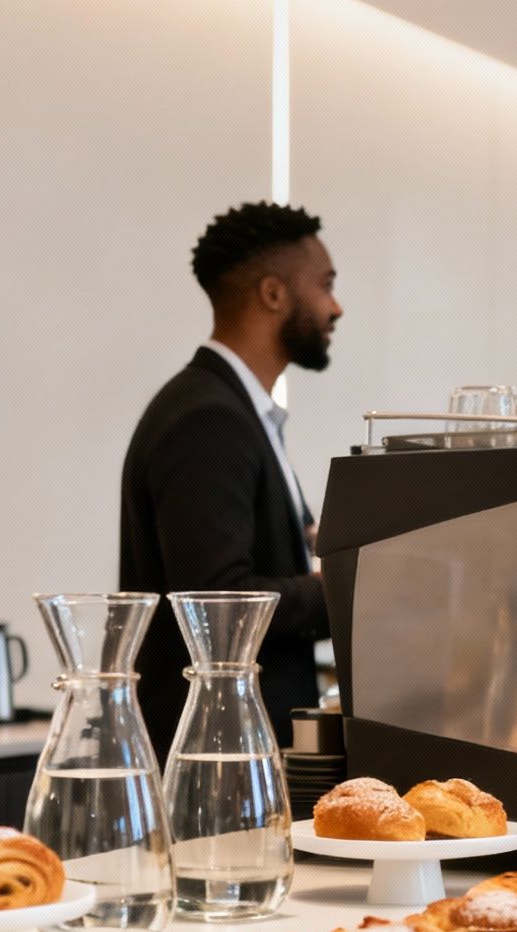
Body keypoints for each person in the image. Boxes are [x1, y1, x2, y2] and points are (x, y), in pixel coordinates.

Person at [120, 202, 343, 753]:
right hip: (217, 755)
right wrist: (344, 586)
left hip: (235, 744)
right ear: (273, 294)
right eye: (325, 285)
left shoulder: (233, 410)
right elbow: (219, 602)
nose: (336, 307)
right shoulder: (208, 419)